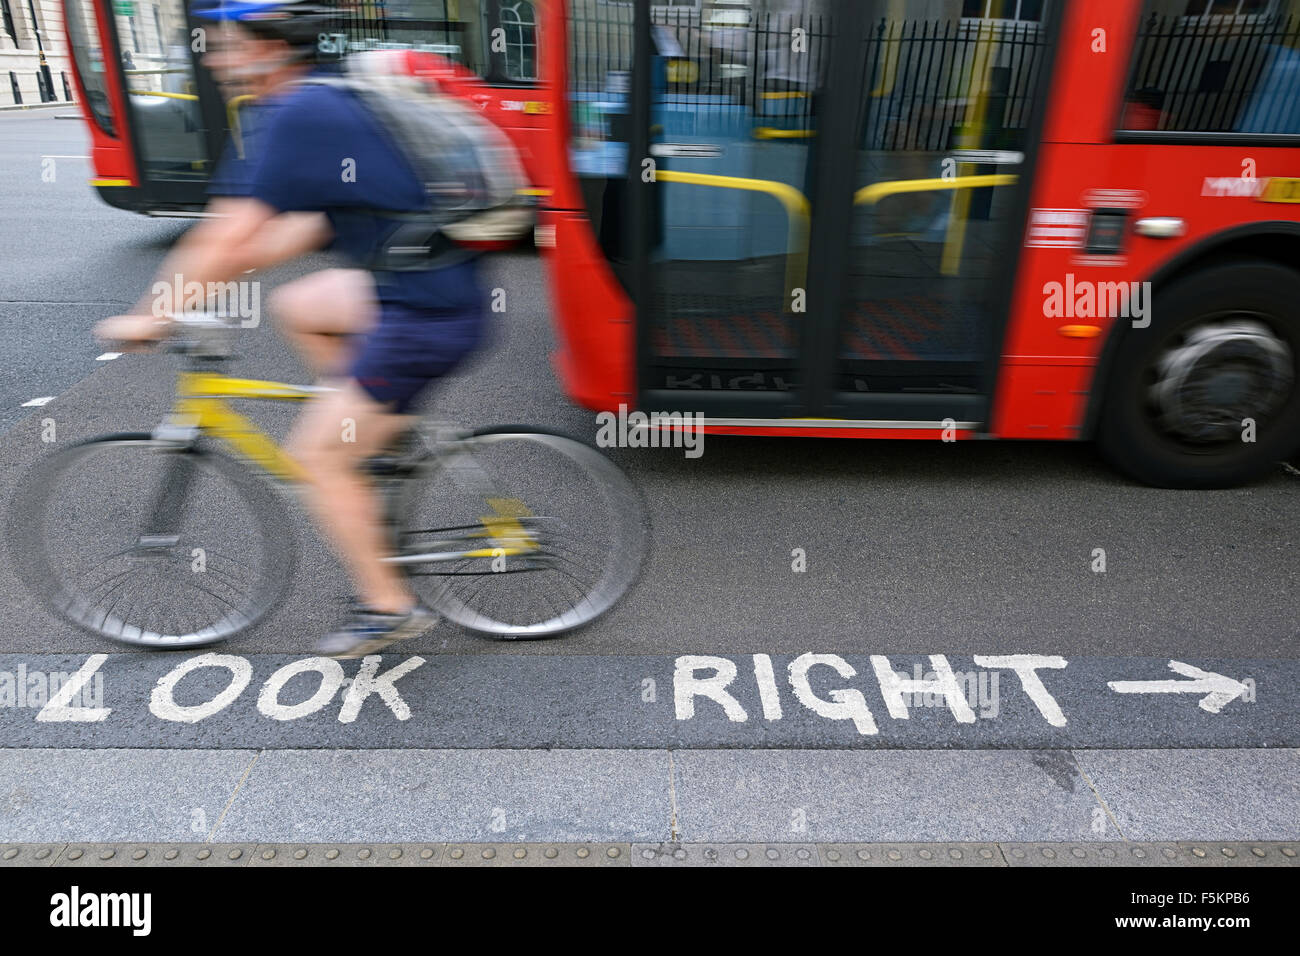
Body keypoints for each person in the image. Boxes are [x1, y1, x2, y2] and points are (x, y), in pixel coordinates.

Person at [95, 0, 489, 658]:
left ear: (269, 48)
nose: (215, 59)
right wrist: (211, 281)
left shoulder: (297, 111)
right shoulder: (325, 94)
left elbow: (229, 232)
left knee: (314, 457)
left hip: (424, 313)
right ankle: (376, 434)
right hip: (422, 289)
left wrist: (153, 315)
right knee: (299, 305)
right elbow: (297, 228)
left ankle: (389, 608)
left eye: (225, 45)